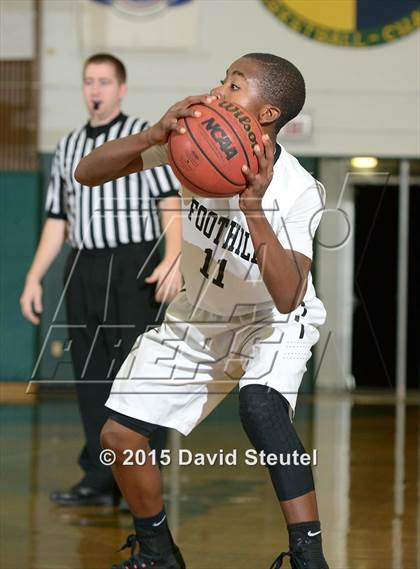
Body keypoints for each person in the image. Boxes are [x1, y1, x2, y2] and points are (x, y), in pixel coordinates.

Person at [76, 53, 329, 568]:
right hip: (199, 318)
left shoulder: (299, 190)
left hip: (271, 322)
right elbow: (87, 172)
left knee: (260, 406)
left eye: (235, 85)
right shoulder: (194, 144)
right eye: (222, 79)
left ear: (267, 115)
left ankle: (309, 557)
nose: (218, 91)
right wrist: (153, 135)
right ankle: (157, 550)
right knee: (119, 436)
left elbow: (287, 295)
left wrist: (252, 209)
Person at [20, 53, 182, 507]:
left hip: (134, 263)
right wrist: (34, 278)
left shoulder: (143, 137)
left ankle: (143, 477)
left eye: (105, 81)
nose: (95, 89)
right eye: (89, 81)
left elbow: (169, 201)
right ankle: (99, 476)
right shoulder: (69, 145)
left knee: (136, 377)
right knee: (90, 376)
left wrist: (173, 258)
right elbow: (57, 218)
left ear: (121, 88)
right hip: (83, 264)